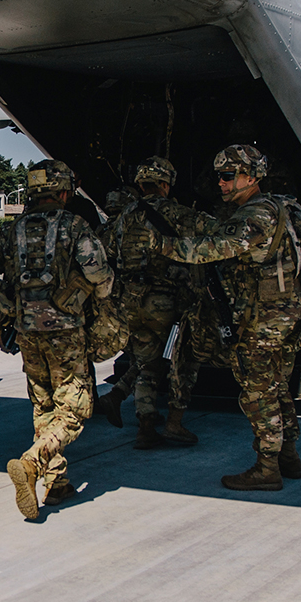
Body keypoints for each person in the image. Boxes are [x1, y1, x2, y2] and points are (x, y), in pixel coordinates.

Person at [156, 144, 301, 491]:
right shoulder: (281, 207)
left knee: (258, 392)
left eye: (229, 177)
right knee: (277, 386)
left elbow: (211, 249)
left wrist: (160, 245)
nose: (222, 184)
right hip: (284, 315)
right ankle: (289, 455)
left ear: (252, 177)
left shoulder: (255, 216)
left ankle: (267, 467)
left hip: (262, 320)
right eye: (219, 177)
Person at [0, 159, 113, 519]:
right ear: (64, 192)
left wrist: (11, 307)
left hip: (28, 333)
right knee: (76, 408)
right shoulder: (74, 224)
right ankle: (33, 462)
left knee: (44, 404)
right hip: (66, 331)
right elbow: (97, 271)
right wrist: (102, 293)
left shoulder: (11, 230)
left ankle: (57, 482)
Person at [103, 156, 204, 449]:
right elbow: (210, 237)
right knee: (182, 361)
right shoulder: (179, 213)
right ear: (164, 184)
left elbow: (108, 248)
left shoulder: (124, 216)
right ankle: (174, 422)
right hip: (167, 303)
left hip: (130, 301)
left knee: (147, 363)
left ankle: (146, 426)